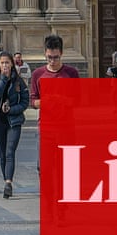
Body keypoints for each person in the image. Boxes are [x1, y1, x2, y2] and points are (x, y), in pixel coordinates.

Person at [30, 34, 81, 174]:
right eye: (49, 57)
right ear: (45, 54)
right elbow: (33, 101)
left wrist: (61, 100)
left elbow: (78, 100)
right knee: (44, 166)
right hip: (46, 127)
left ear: (62, 54)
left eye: (56, 57)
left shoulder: (71, 73)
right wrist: (46, 101)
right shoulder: (38, 74)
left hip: (66, 126)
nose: (52, 61)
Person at [0, 51, 30, 198]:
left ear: (12, 64)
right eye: (2, 63)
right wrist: (3, 79)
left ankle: (8, 182)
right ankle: (5, 179)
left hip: (14, 122)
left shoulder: (19, 82)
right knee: (2, 155)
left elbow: (25, 102)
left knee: (9, 152)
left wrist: (12, 110)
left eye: (7, 62)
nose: (5, 65)